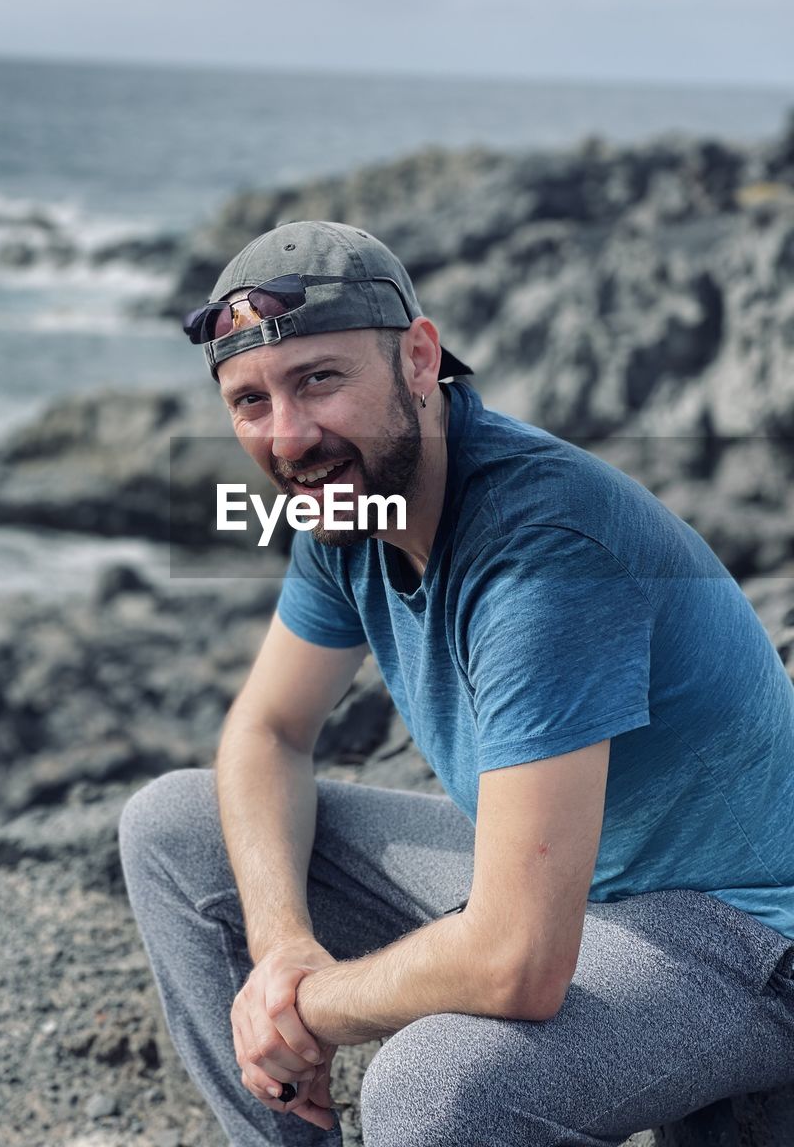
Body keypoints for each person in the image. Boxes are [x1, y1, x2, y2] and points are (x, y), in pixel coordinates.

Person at [118, 220, 794, 1146]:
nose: (290, 436)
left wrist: (305, 1006)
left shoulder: (544, 551)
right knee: (174, 825)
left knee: (433, 1089)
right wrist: (282, 946)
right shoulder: (355, 507)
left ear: (420, 359)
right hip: (572, 878)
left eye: (320, 379)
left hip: (739, 930)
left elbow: (517, 964)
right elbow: (268, 731)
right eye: (250, 402)